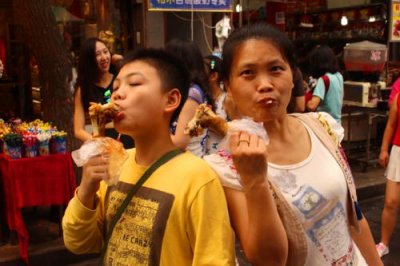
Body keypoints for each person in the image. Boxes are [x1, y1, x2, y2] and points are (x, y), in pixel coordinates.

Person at [204, 23, 382, 265]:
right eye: (248, 73)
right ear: (229, 86)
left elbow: (354, 216)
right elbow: (270, 260)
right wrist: (255, 181)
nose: (265, 84)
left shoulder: (322, 127)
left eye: (276, 68)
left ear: (293, 75)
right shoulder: (225, 165)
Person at [62, 48, 235, 265]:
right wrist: (86, 190)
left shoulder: (199, 178)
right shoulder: (115, 164)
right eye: (115, 87)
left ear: (171, 99)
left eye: (134, 84)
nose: (117, 94)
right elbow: (78, 242)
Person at [73, 37, 133, 147]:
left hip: (128, 136)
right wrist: (98, 143)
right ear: (89, 60)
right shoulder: (83, 89)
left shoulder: (120, 78)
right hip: (103, 144)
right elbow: (78, 130)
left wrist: (120, 60)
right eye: (97, 54)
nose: (104, 57)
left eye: (106, 52)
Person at [166, 39, 214, 157]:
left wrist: (149, 135)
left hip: (187, 163)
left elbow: (180, 141)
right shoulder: (189, 90)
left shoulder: (191, 94)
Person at [376, 93, 400, 257]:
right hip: (398, 150)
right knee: (390, 201)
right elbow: (391, 124)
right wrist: (384, 149)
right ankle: (384, 244)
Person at [306, 45, 344, 124]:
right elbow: (342, 96)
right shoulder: (339, 76)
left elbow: (312, 106)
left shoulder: (323, 79)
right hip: (337, 125)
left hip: (325, 126)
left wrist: (305, 100)